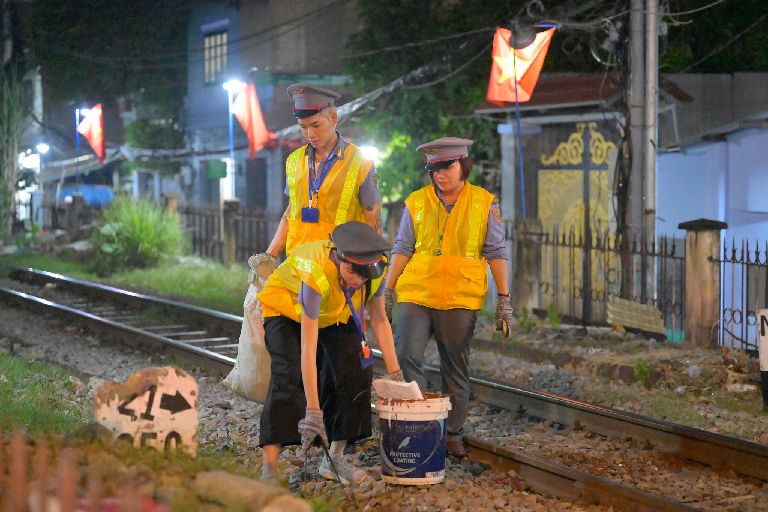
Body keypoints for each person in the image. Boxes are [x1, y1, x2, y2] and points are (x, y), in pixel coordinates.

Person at [383, 137, 514, 458]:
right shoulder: (416, 202)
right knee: (406, 357)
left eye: (447, 167)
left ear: (463, 166)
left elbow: (496, 251)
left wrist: (504, 298)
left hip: (461, 297)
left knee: (454, 368)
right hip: (416, 292)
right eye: (434, 169)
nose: (440, 175)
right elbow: (402, 247)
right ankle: (419, 426)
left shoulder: (485, 203)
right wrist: (387, 289)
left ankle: (453, 433)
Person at [257, 221, 403, 483]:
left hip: (333, 311)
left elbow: (380, 320)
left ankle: (334, 458)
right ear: (341, 260)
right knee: (287, 376)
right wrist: (313, 411)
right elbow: (308, 349)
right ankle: (269, 466)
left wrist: (396, 374)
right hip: (287, 311)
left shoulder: (373, 272)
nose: (360, 281)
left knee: (356, 374)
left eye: (365, 275)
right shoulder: (316, 271)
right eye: (355, 273)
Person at [262, 83, 382, 261]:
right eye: (303, 127)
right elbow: (291, 212)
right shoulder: (293, 161)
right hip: (299, 263)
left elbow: (373, 222)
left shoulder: (360, 162)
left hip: (338, 266)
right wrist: (270, 254)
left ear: (333, 118)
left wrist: (370, 272)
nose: (309, 134)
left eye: (315, 125)